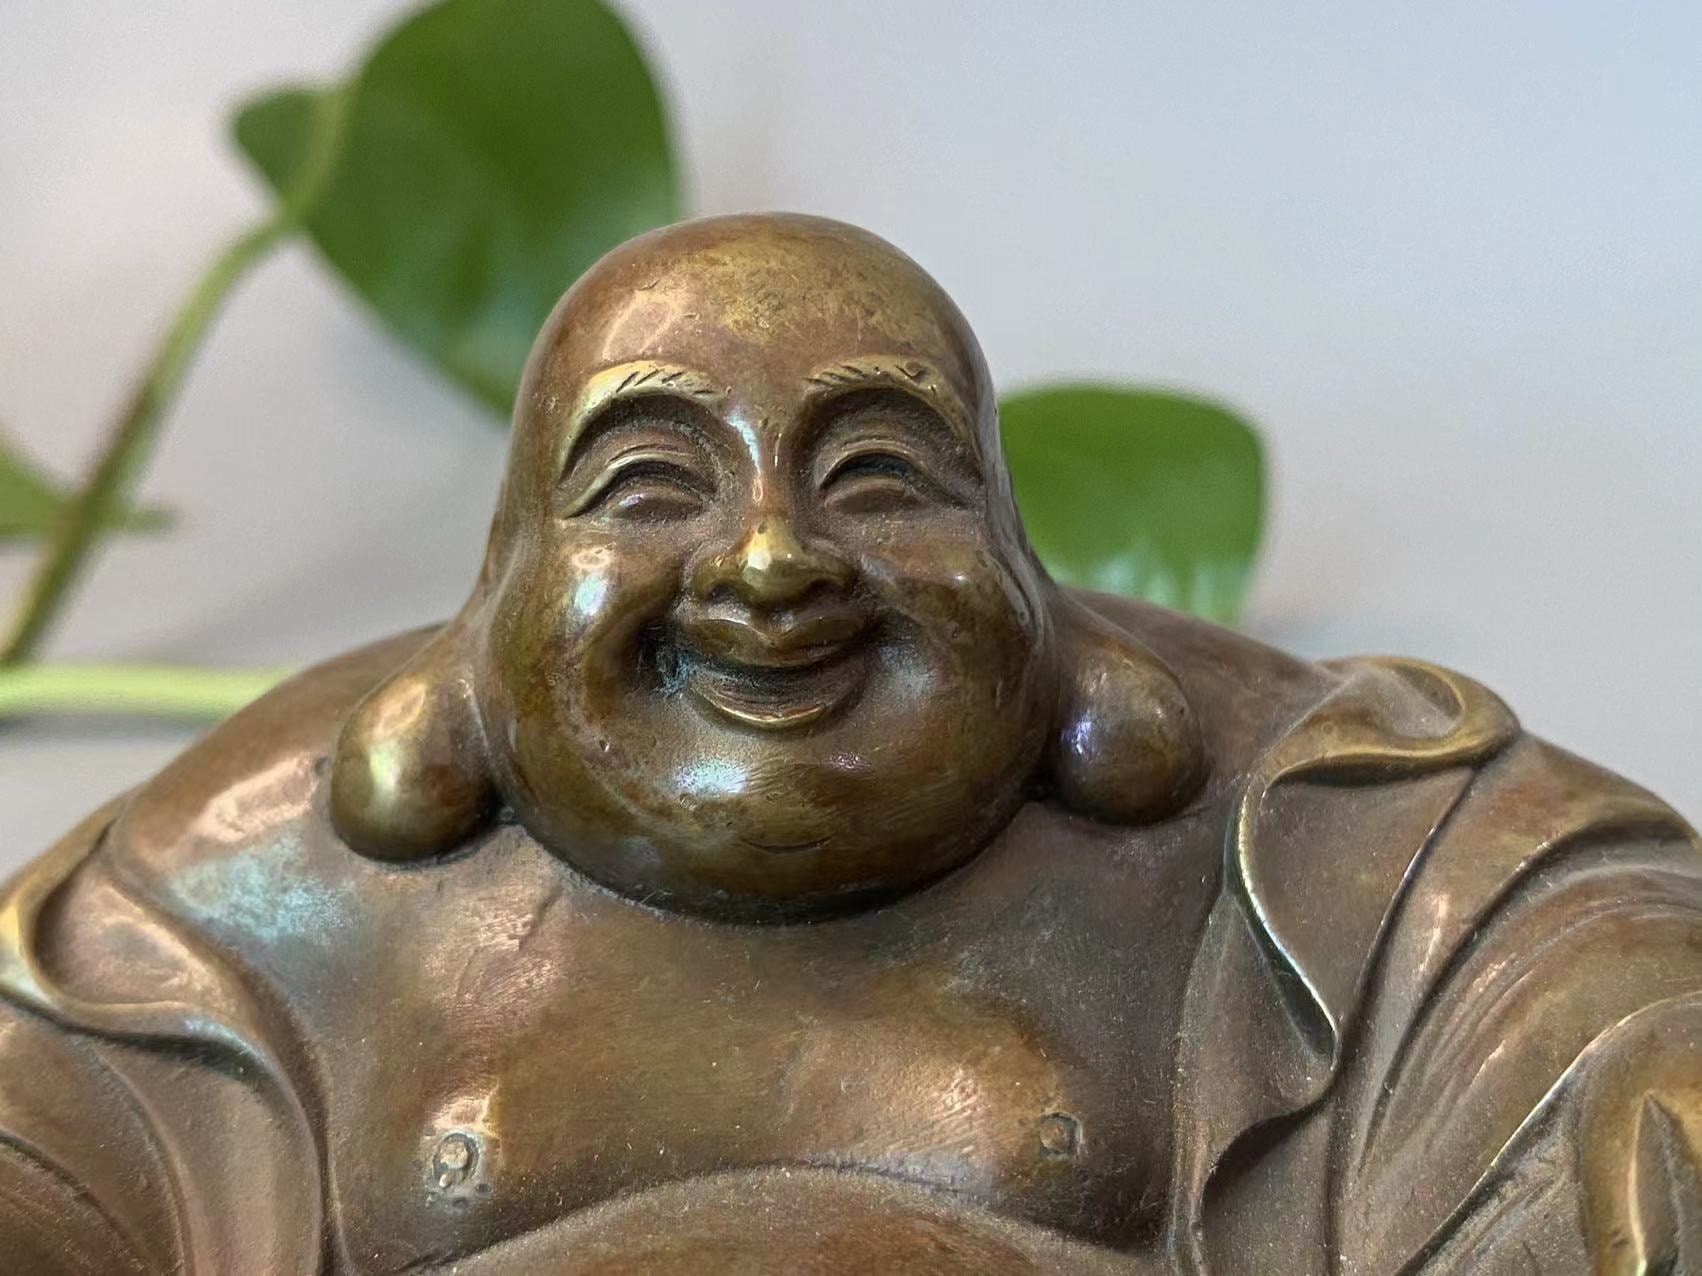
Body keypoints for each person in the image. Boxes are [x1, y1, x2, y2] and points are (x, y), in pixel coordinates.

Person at [1, 214, 1695, 1273]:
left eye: (877, 475)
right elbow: (48, 1084)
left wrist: (1635, 1061)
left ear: (1016, 568)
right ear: (509, 581)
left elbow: (1552, 914)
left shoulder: (1252, 815)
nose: (769, 563)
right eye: (651, 483)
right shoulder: (261, 878)